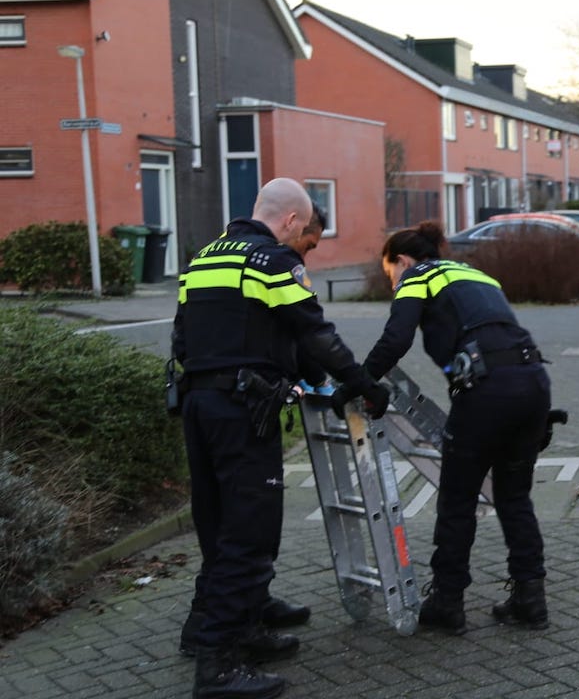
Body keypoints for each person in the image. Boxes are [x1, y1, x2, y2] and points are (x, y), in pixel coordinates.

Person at [173, 178, 390, 699]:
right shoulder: (270, 261)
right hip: (243, 411)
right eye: (306, 232)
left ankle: (224, 626)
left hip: (199, 406)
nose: (305, 245)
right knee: (248, 533)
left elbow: (185, 337)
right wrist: (361, 384)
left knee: (221, 524)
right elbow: (313, 330)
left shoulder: (205, 257)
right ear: (292, 219)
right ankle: (218, 667)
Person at [340, 220, 551, 635]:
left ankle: (448, 602)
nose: (392, 283)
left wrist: (360, 381)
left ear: (401, 260)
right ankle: (531, 599)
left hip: (486, 391)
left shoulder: (418, 275)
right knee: (514, 496)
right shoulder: (476, 274)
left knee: (457, 499)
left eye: (390, 274)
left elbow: (396, 337)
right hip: (533, 384)